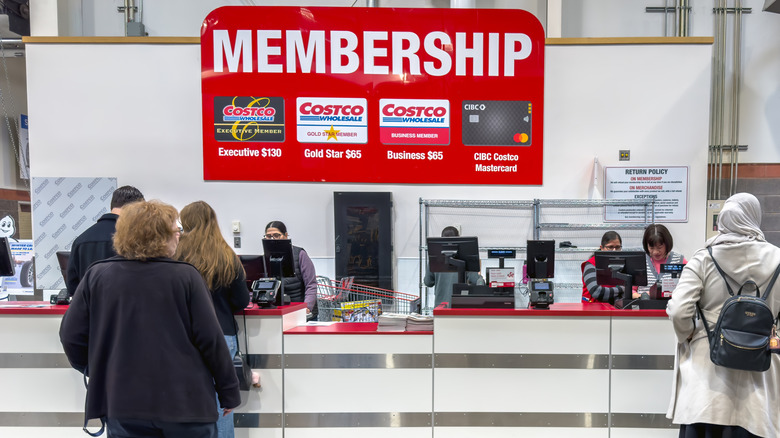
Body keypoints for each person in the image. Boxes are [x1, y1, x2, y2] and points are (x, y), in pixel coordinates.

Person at [59, 200, 240, 438]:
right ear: (160, 236)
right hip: (185, 403)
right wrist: (228, 391)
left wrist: (101, 369)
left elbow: (71, 336)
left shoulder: (98, 275)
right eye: (176, 231)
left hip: (123, 403)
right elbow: (211, 341)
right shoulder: (186, 277)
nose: (179, 236)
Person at [667, 193, 780, 438]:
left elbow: (678, 310)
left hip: (707, 384)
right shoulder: (778, 258)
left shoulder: (704, 257)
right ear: (755, 217)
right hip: (759, 379)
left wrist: (688, 334)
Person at [174, 201, 250, 438]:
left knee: (184, 400)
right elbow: (241, 300)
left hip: (183, 335)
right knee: (222, 402)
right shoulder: (226, 255)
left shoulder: (176, 255)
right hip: (222, 334)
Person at [65, 185, 144, 296]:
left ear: (112, 205)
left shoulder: (81, 240)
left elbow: (72, 286)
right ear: (136, 209)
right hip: (125, 305)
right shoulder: (136, 238)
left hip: (91, 305)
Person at [264, 221, 317, 318]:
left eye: (276, 235)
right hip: (278, 310)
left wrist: (307, 306)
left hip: (300, 309)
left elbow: (311, 285)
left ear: (285, 235)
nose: (272, 239)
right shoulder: (266, 257)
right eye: (268, 236)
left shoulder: (300, 254)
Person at [424, 226, 485, 307]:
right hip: (459, 308)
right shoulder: (465, 259)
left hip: (440, 308)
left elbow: (428, 282)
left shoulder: (434, 259)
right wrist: (481, 281)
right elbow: (477, 281)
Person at [581, 231, 627, 303]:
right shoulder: (591, 265)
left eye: (617, 247)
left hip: (614, 307)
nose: (614, 251)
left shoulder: (621, 265)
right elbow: (597, 292)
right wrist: (622, 289)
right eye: (610, 247)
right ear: (601, 248)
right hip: (593, 308)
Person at [641, 223, 686, 296]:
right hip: (643, 302)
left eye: (659, 247)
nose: (655, 252)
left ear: (667, 244)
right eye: (651, 248)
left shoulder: (679, 260)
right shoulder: (641, 260)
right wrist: (644, 296)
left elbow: (688, 287)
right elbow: (631, 290)